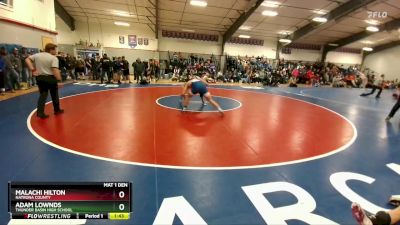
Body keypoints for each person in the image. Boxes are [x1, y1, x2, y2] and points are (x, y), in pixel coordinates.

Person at [25, 43, 64, 119]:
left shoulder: (37, 55)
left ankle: (40, 112)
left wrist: (33, 70)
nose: (56, 51)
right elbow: (54, 69)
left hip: (40, 78)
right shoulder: (53, 58)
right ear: (51, 49)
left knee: (43, 95)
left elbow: (27, 59)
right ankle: (57, 110)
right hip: (50, 78)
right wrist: (59, 81)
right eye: (55, 49)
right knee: (54, 95)